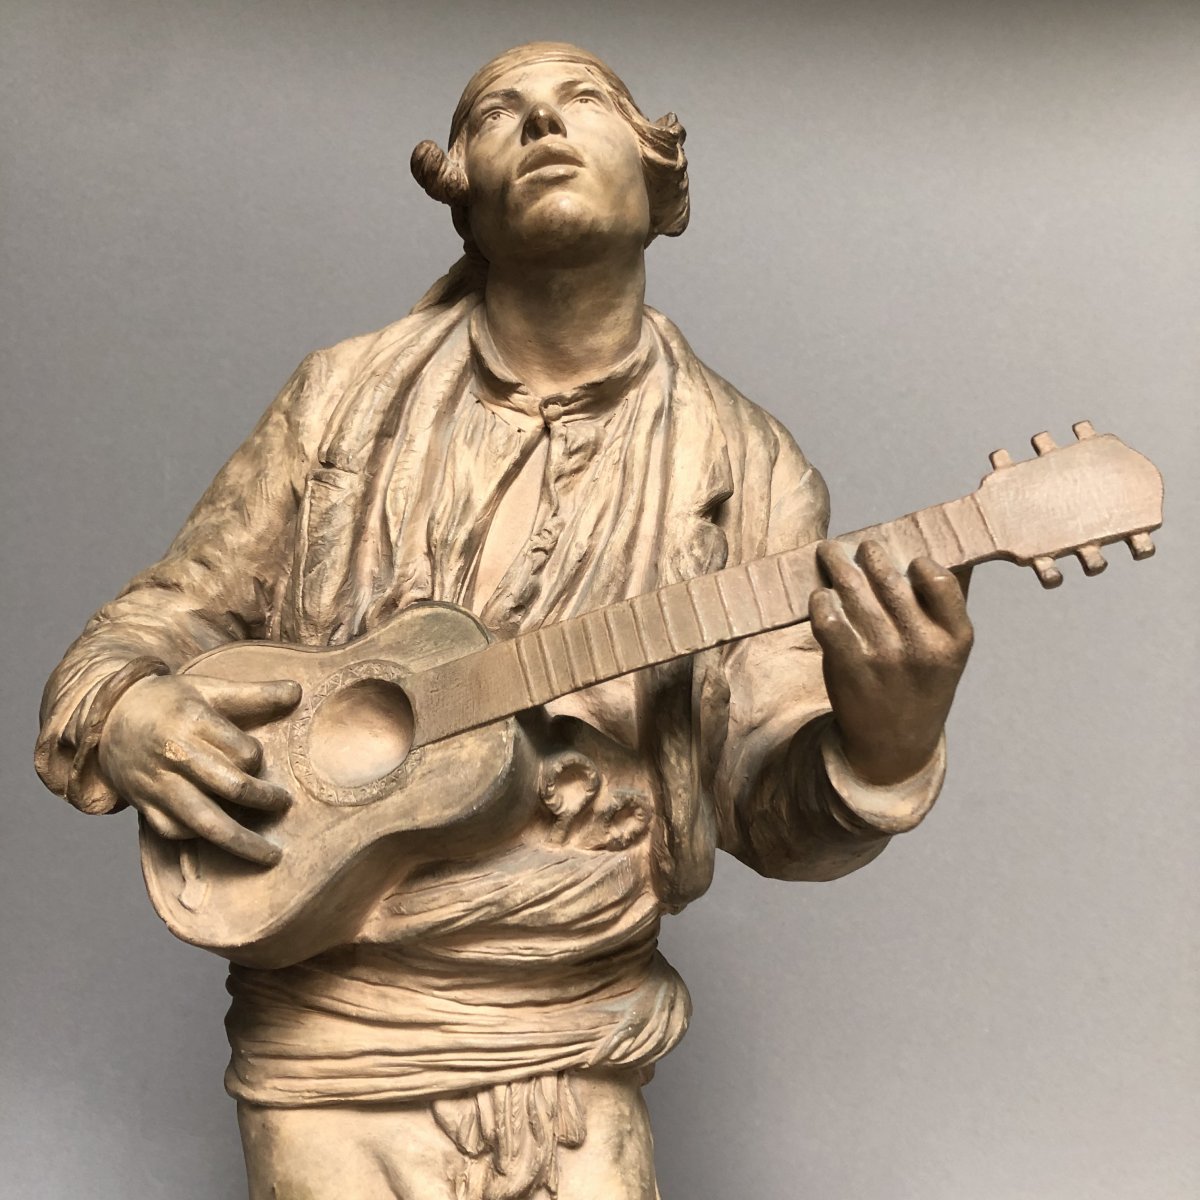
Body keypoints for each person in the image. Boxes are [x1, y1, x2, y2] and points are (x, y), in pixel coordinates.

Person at [35, 42, 973, 1200]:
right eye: (498, 112)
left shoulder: (751, 464)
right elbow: (163, 615)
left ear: (658, 173)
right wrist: (125, 705)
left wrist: (885, 739)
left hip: (581, 1020)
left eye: (583, 99)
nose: (540, 123)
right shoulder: (342, 396)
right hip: (334, 1024)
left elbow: (767, 814)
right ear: (460, 191)